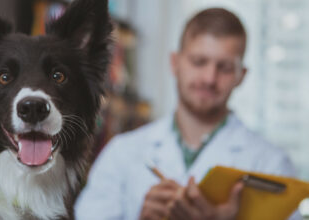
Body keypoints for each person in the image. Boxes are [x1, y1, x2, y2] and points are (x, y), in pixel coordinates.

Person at [75, 8, 300, 220]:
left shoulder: (272, 165)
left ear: (241, 75)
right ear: (175, 63)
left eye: (224, 67)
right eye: (199, 62)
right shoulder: (121, 154)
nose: (209, 78)